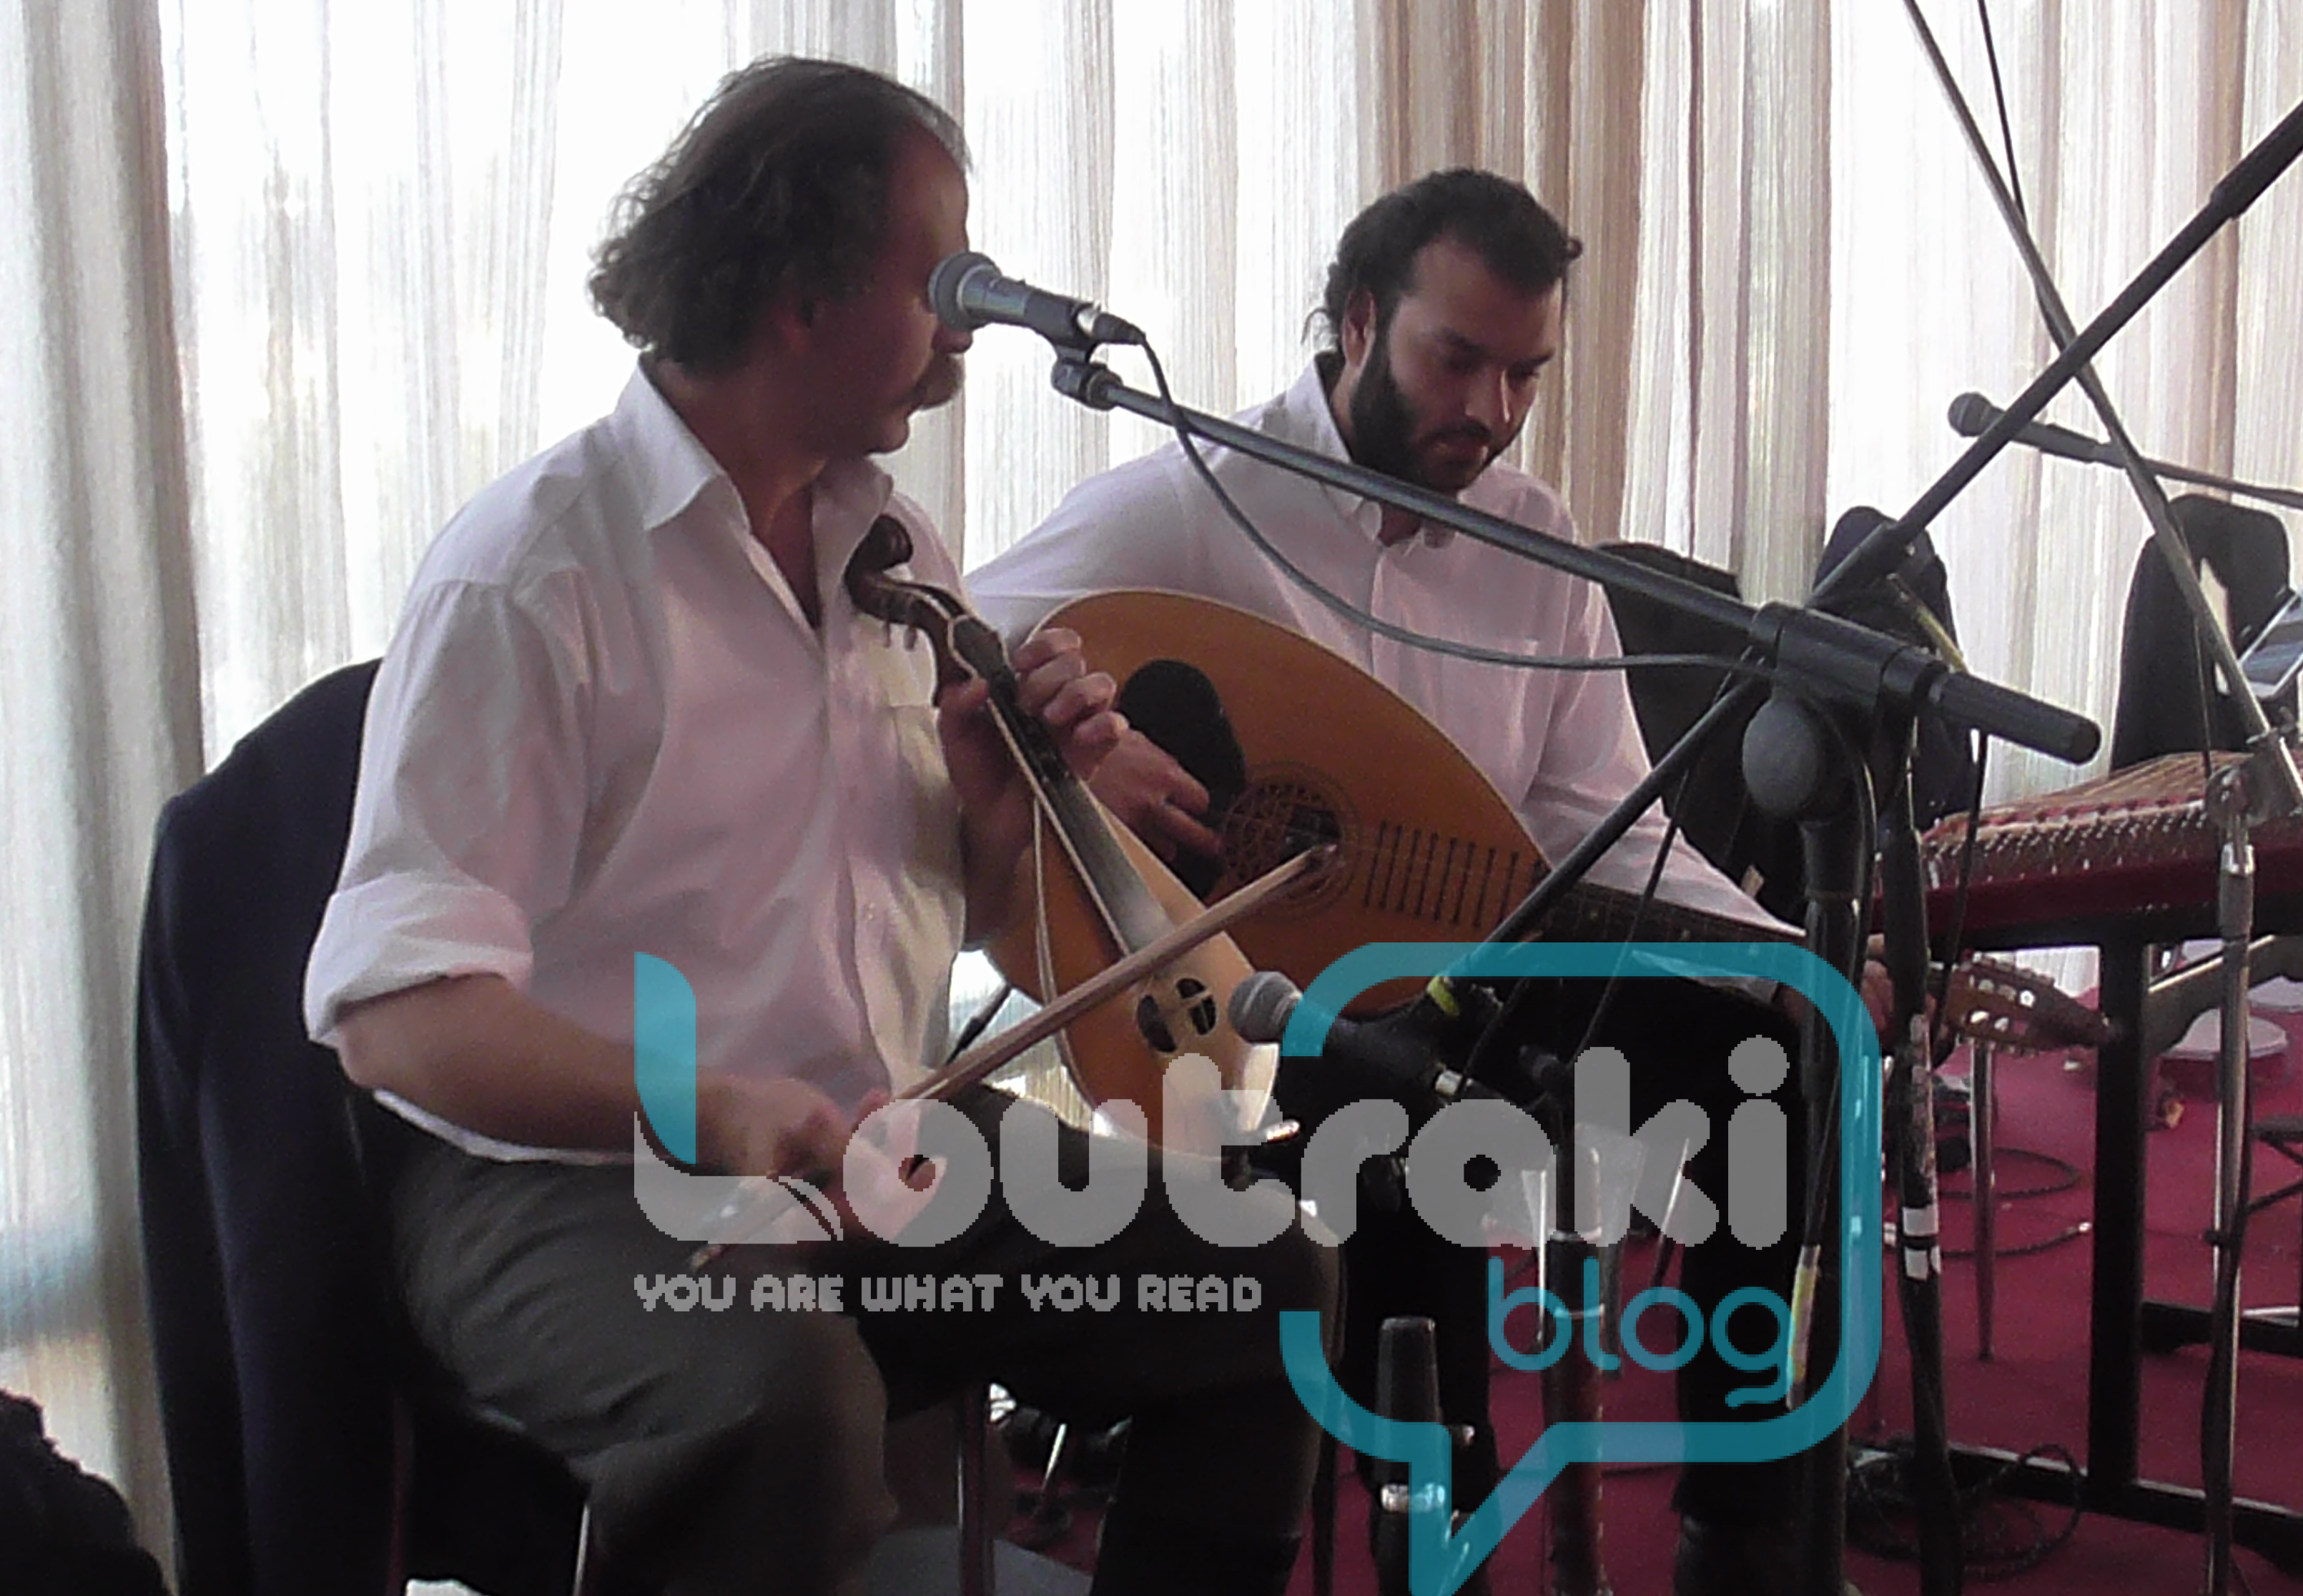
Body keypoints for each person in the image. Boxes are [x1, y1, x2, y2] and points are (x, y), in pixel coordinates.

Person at [302, 58, 1328, 1596]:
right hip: (563, 1176)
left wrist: (1003, 819)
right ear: (799, 298)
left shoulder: (893, 544)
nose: (966, 327)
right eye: (940, 281)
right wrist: (708, 1109)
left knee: (1262, 1275)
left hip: (868, 1135)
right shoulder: (534, 573)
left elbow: (988, 929)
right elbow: (396, 1021)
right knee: (781, 1410)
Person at [969, 170, 1832, 1596]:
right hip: (1249, 1005)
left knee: (1776, 1059)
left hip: (1474, 959)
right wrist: (1075, 761)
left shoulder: (1530, 542)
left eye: (1524, 375)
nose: (1490, 410)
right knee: (1413, 1106)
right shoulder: (1196, 503)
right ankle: (1442, 1537)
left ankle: (1739, 1534)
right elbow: (935, 640)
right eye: (1457, 359)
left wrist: (1774, 954)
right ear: (1360, 320)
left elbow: (1600, 819)